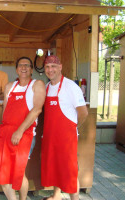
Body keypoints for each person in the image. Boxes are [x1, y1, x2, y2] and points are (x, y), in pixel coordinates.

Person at [0, 57, 46, 200]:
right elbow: (6, 109)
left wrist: (19, 131)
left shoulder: (37, 84)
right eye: (20, 65)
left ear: (32, 69)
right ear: (16, 69)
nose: (23, 68)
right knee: (2, 172)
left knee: (18, 172)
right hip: (5, 134)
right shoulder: (10, 86)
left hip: (24, 134)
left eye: (27, 65)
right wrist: (3, 129)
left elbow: (37, 110)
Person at [41, 55, 88, 200]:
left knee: (70, 170)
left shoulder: (71, 87)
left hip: (67, 139)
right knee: (56, 167)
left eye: (54, 66)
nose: (50, 70)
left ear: (60, 67)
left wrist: (72, 129)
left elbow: (83, 113)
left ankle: (75, 198)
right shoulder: (47, 87)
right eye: (48, 67)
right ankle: (56, 196)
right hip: (51, 137)